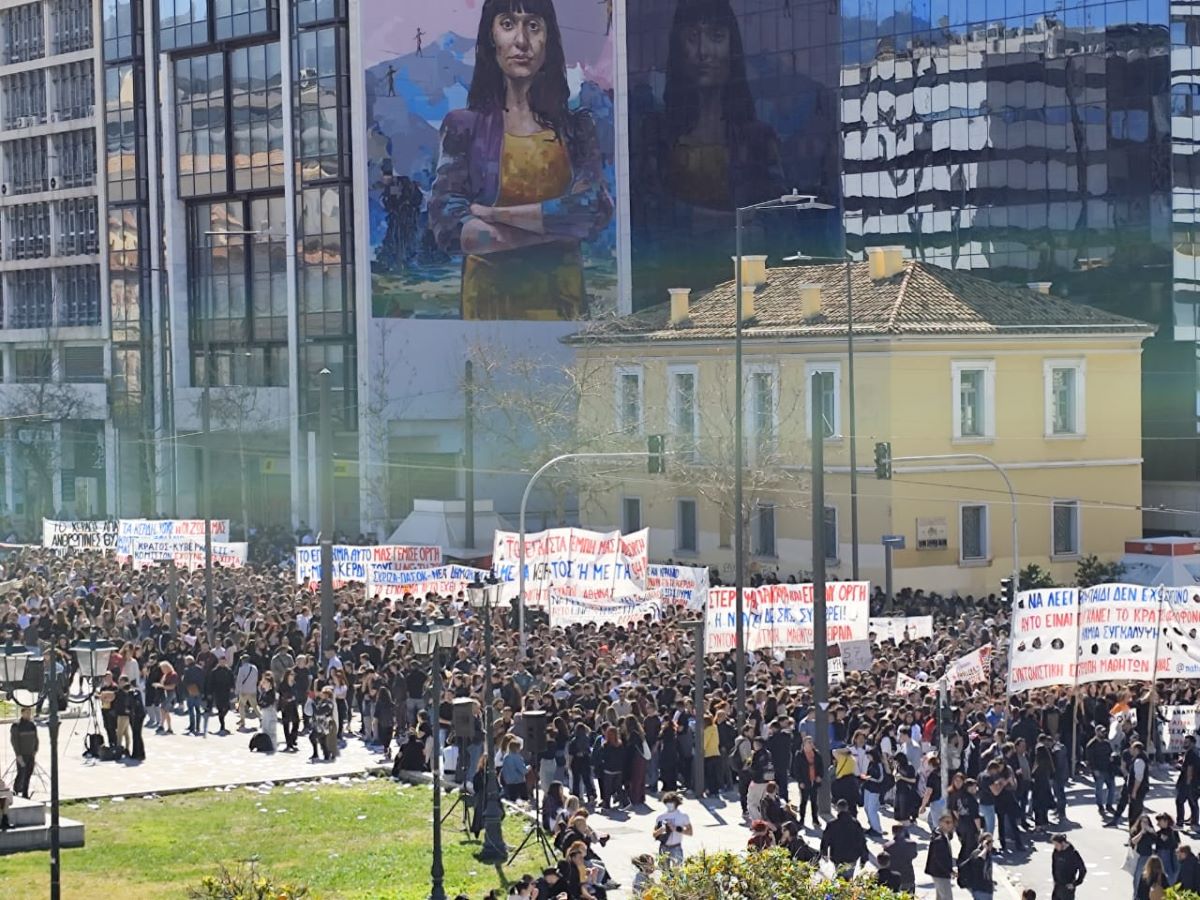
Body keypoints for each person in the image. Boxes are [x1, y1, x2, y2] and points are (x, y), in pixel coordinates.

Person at [427, 0, 613, 320]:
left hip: (563, 308)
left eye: (534, 26)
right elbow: (449, 226)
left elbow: (593, 207)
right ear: (491, 38)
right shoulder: (464, 127)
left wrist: (494, 214)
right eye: (508, 24)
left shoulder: (576, 128)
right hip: (489, 309)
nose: (521, 41)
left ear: (548, 40)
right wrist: (556, 231)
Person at [820, 798, 868, 879]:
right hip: (852, 857)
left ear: (837, 808)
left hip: (837, 856)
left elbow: (825, 839)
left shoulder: (832, 824)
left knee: (840, 877)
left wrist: (824, 852)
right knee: (849, 878)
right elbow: (861, 841)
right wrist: (864, 858)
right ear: (847, 808)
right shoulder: (855, 824)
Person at [652, 790, 692, 867]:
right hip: (663, 847)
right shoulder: (661, 817)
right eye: (667, 803)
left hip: (676, 847)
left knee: (677, 871)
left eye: (671, 803)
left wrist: (676, 829)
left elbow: (690, 832)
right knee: (664, 872)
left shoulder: (683, 816)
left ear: (676, 803)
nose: (669, 805)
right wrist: (660, 830)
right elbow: (654, 834)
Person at [1086, 724, 1116, 816]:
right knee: (1099, 789)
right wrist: (1094, 770)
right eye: (1101, 731)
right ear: (1097, 732)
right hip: (1098, 770)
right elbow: (1089, 759)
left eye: (1104, 731)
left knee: (1112, 788)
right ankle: (1100, 806)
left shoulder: (1106, 743)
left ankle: (1109, 805)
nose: (1103, 733)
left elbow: (1111, 753)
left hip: (1108, 769)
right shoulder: (1091, 745)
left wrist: (1113, 757)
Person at [925, 813, 956, 900]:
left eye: (951, 822)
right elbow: (939, 859)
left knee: (940, 897)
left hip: (939, 872)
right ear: (940, 823)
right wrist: (949, 871)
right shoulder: (939, 839)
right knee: (947, 897)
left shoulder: (943, 835)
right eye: (947, 822)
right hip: (940, 873)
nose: (950, 825)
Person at [10, 706, 38, 798]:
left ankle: (25, 793)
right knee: (22, 772)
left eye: (30, 713)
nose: (29, 715)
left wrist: (35, 749)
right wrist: (18, 755)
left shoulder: (32, 725)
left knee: (28, 773)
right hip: (22, 755)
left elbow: (35, 738)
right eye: (27, 713)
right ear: (22, 713)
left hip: (31, 754)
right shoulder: (16, 726)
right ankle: (16, 790)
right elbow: (14, 741)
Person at [958, 832, 995, 900]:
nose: (990, 844)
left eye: (992, 841)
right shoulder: (977, 852)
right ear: (982, 842)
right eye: (988, 842)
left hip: (988, 888)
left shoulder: (988, 854)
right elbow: (979, 860)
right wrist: (985, 848)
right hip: (979, 888)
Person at [1050, 833, 1086, 900]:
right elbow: (1054, 866)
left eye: (1056, 844)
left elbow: (1083, 870)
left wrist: (1075, 883)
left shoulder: (1073, 854)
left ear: (1063, 843)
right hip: (1057, 886)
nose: (1055, 847)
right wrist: (1054, 879)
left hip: (1067, 887)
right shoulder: (1056, 852)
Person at [884, 823, 918, 894]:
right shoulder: (912, 844)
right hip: (908, 875)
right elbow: (914, 855)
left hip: (893, 876)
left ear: (893, 832)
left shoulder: (887, 846)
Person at [1178, 734, 1200, 828]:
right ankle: (1194, 821)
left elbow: (1190, 768)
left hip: (1189, 782)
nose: (1184, 744)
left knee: (1179, 801)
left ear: (1192, 743)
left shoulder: (1191, 753)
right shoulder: (1195, 752)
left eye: (1186, 742)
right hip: (1195, 782)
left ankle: (1180, 822)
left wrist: (1187, 783)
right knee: (1193, 802)